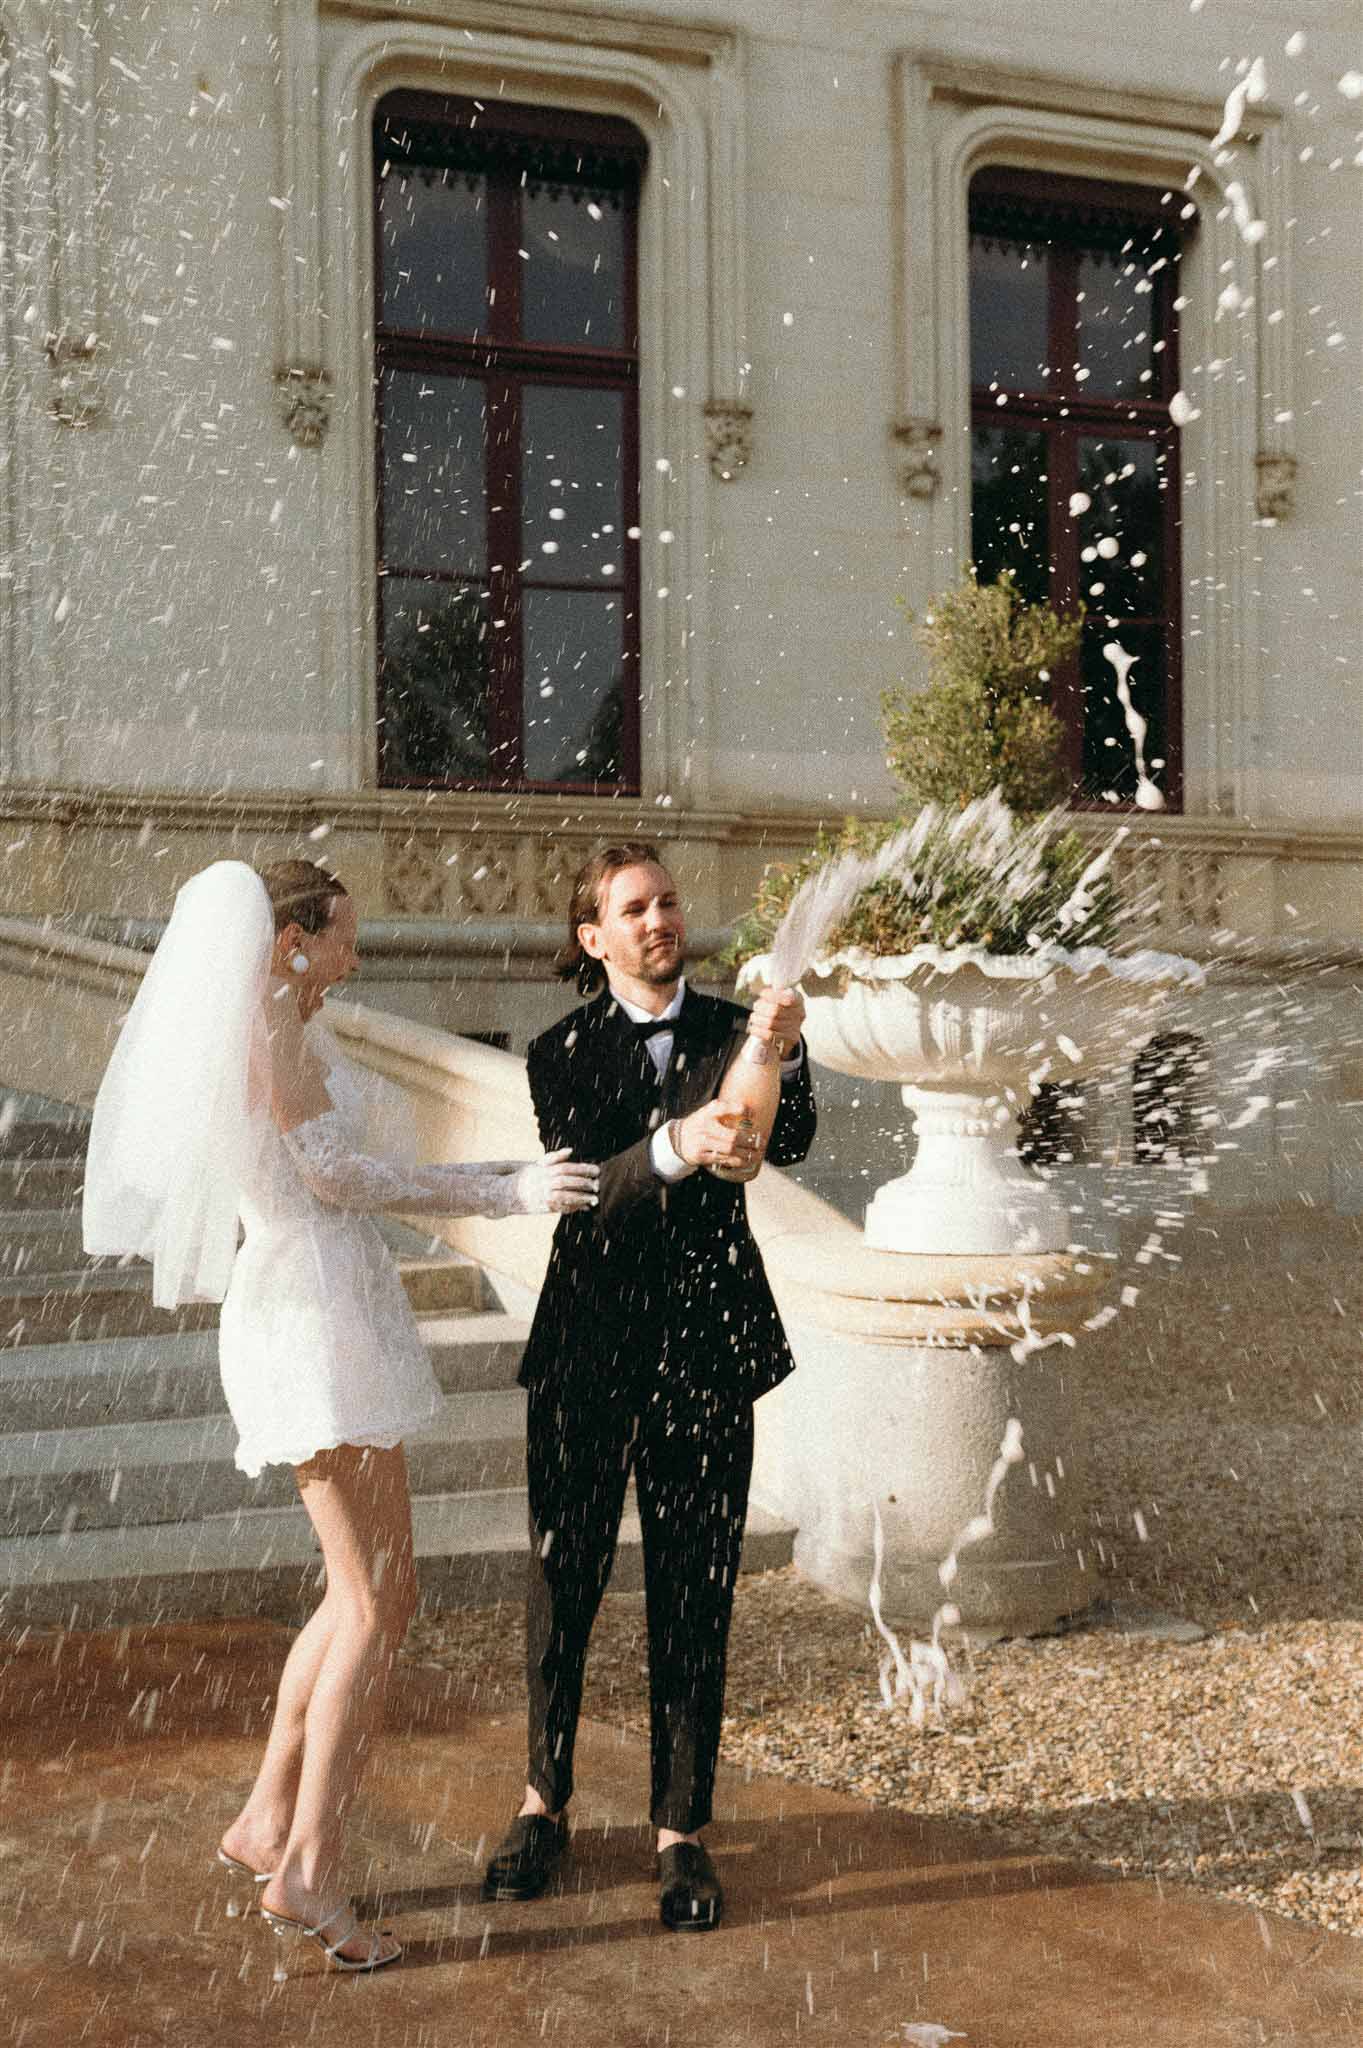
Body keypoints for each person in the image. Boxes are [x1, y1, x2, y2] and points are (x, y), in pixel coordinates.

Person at [82, 858, 597, 1974]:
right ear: (292, 941)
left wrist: (503, 1172)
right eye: (344, 937)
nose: (356, 956)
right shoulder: (271, 1025)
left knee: (360, 1589)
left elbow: (348, 1167)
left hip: (321, 1303)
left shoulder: (275, 1019)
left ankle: (268, 1817)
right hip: (313, 1312)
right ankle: (309, 1869)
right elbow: (336, 1179)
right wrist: (503, 1190)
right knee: (377, 1600)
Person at [480, 842, 815, 1932]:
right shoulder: (557, 1051)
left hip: (708, 1348)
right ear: (594, 937)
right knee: (561, 1582)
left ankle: (680, 1829)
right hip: (587, 1348)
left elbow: (788, 1139)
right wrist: (673, 1142)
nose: (660, 918)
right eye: (634, 908)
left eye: (667, 901)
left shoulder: (737, 1029)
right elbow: (588, 1183)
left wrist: (781, 1056)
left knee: (694, 1590)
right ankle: (543, 1803)